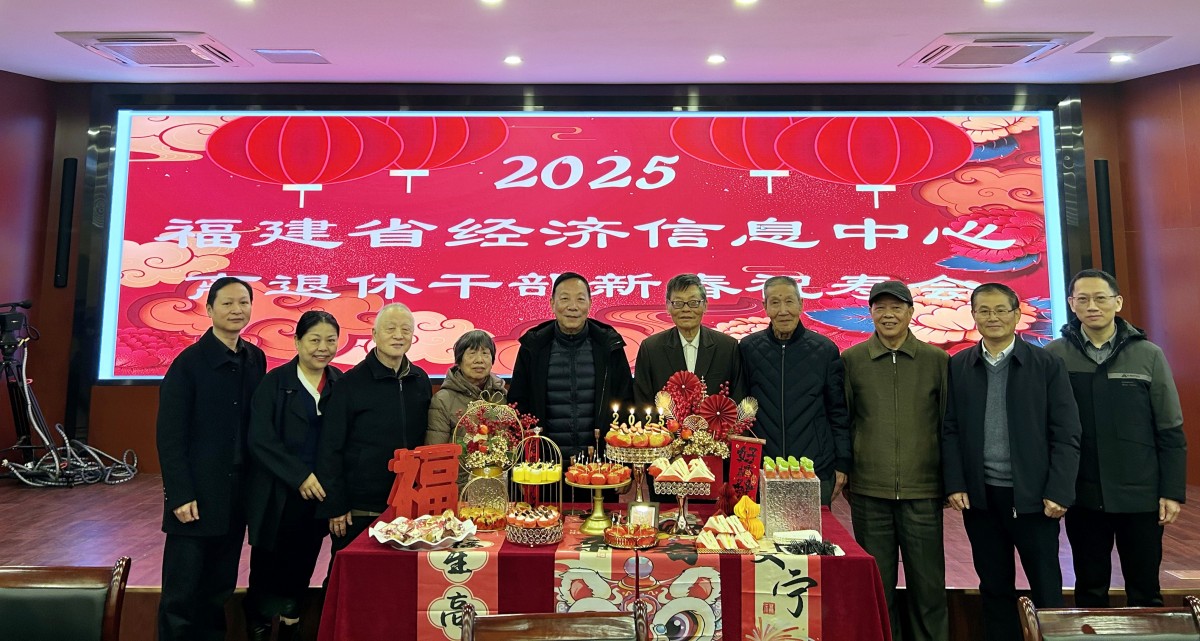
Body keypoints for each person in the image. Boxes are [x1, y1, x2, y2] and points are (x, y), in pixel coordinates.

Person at [942, 282, 1081, 641]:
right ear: (973, 315)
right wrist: (956, 483)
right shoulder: (959, 365)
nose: (993, 317)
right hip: (982, 498)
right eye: (984, 310)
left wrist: (1059, 490)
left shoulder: (1046, 364)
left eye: (1001, 310)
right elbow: (950, 429)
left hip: (1035, 498)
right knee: (994, 586)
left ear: (1017, 315)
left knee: (1046, 587)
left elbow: (1066, 432)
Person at [1045, 269, 1186, 607]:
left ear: (1118, 302)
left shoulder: (1148, 354)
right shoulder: (1053, 355)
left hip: (1140, 496)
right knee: (1090, 588)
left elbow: (1170, 428)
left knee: (1145, 588)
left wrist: (1171, 491)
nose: (1092, 306)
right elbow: (1045, 427)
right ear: (1071, 304)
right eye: (1083, 299)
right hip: (1082, 494)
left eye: (1100, 298)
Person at [156, 276, 266, 641]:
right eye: (227, 303)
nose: (237, 310)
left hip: (236, 492)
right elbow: (170, 436)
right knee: (182, 592)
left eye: (243, 303)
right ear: (209, 309)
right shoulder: (188, 364)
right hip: (196, 494)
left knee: (219, 587)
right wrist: (180, 494)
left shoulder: (255, 358)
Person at [841, 280, 949, 641]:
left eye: (896, 307)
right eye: (880, 308)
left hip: (923, 492)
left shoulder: (936, 361)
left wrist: (948, 482)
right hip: (869, 493)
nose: (888, 315)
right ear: (870, 313)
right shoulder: (852, 360)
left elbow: (947, 424)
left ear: (911, 312)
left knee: (928, 589)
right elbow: (846, 421)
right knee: (877, 589)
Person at [245, 311, 343, 641]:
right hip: (277, 493)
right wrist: (299, 475)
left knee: (302, 564)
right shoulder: (274, 383)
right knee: (267, 566)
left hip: (318, 496)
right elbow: (261, 439)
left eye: (330, 340)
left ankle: (291, 624)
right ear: (297, 341)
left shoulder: (340, 383)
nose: (323, 348)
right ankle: (258, 624)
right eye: (314, 340)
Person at [316, 303, 432, 555]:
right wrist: (335, 504)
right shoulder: (350, 383)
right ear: (374, 334)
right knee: (352, 572)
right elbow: (329, 448)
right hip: (360, 507)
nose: (398, 335)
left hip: (409, 503)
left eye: (405, 330)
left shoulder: (420, 380)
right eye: (390, 329)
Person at [738, 275, 850, 505]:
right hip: (763, 469)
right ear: (765, 307)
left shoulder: (825, 350)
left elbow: (838, 411)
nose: (783, 310)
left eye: (789, 301)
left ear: (801, 304)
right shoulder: (748, 349)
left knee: (814, 529)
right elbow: (741, 410)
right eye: (775, 302)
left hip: (814, 469)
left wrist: (842, 463)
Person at [508, 272, 633, 463]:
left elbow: (625, 402)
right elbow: (518, 405)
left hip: (600, 465)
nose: (572, 306)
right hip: (545, 465)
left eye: (580, 299)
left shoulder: (609, 346)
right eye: (565, 299)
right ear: (552, 304)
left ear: (590, 304)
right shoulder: (533, 347)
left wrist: (620, 462)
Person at [632, 273, 745, 407]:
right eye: (678, 303)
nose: (686, 309)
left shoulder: (727, 347)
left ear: (705, 305)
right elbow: (643, 402)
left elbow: (738, 398)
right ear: (668, 306)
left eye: (693, 303)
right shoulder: (651, 349)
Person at [426, 329, 507, 446]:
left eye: (485, 353)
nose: (479, 360)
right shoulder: (443, 400)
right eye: (472, 353)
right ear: (459, 361)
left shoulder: (501, 395)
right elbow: (435, 450)